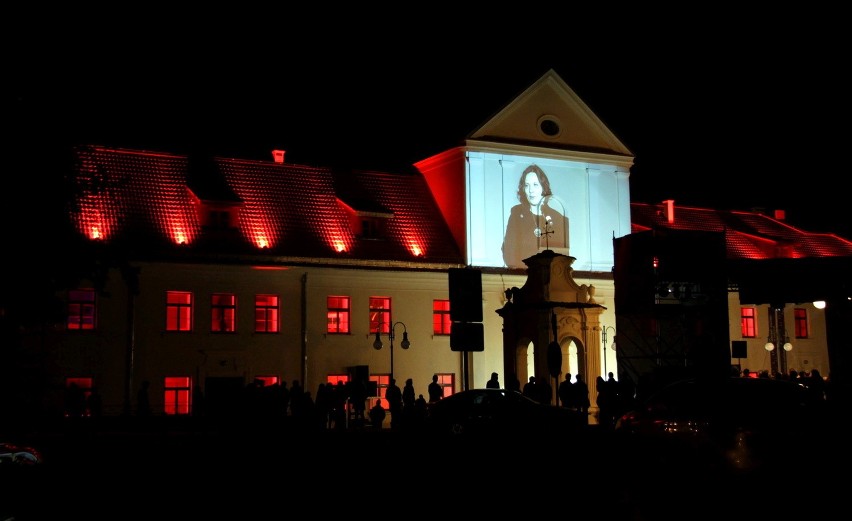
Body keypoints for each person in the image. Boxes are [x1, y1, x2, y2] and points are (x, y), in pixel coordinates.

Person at [501, 164, 569, 268]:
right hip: (523, 277)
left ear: (543, 187)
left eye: (535, 185)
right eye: (527, 185)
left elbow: (562, 256)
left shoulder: (558, 219)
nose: (530, 190)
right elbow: (508, 250)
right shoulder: (516, 213)